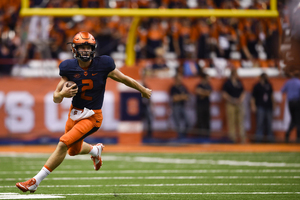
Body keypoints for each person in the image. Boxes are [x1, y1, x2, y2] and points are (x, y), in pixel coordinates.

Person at [15, 31, 152, 193]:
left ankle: (35, 181)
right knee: (72, 150)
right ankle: (95, 150)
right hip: (74, 113)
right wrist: (61, 94)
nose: (85, 50)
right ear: (74, 49)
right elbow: (55, 98)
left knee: (63, 143)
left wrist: (142, 89)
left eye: (88, 47)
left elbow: (123, 78)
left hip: (92, 116)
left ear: (93, 48)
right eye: (82, 47)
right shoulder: (68, 68)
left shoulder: (104, 65)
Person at [222, 69, 246, 143]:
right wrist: (232, 100)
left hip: (239, 103)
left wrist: (240, 99)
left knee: (240, 121)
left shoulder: (239, 82)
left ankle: (242, 138)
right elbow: (224, 94)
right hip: (230, 103)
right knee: (231, 121)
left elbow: (243, 92)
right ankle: (233, 138)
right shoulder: (227, 83)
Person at [250, 73, 274, 143]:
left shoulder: (269, 85)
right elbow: (253, 97)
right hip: (260, 106)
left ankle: (270, 139)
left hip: (268, 106)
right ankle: (258, 139)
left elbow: (271, 95)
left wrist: (274, 104)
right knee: (260, 123)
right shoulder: (257, 86)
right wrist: (253, 105)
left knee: (269, 124)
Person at [281, 71, 300, 143]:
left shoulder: (288, 82)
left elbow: (282, 90)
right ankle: (298, 138)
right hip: (298, 102)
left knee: (293, 119)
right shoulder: (298, 82)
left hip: (290, 103)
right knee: (298, 120)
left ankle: (287, 135)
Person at [169, 73, 189, 139]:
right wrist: (182, 96)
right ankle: (179, 136)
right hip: (176, 106)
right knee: (177, 123)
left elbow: (187, 97)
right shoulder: (173, 88)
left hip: (183, 106)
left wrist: (179, 97)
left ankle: (184, 135)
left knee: (187, 121)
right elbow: (174, 98)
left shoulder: (183, 87)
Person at [195, 73, 212, 138]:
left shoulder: (208, 86)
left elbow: (209, 93)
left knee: (207, 120)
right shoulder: (199, 85)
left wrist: (202, 93)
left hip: (206, 105)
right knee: (200, 120)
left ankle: (207, 135)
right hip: (200, 105)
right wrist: (205, 93)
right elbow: (197, 91)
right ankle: (200, 136)